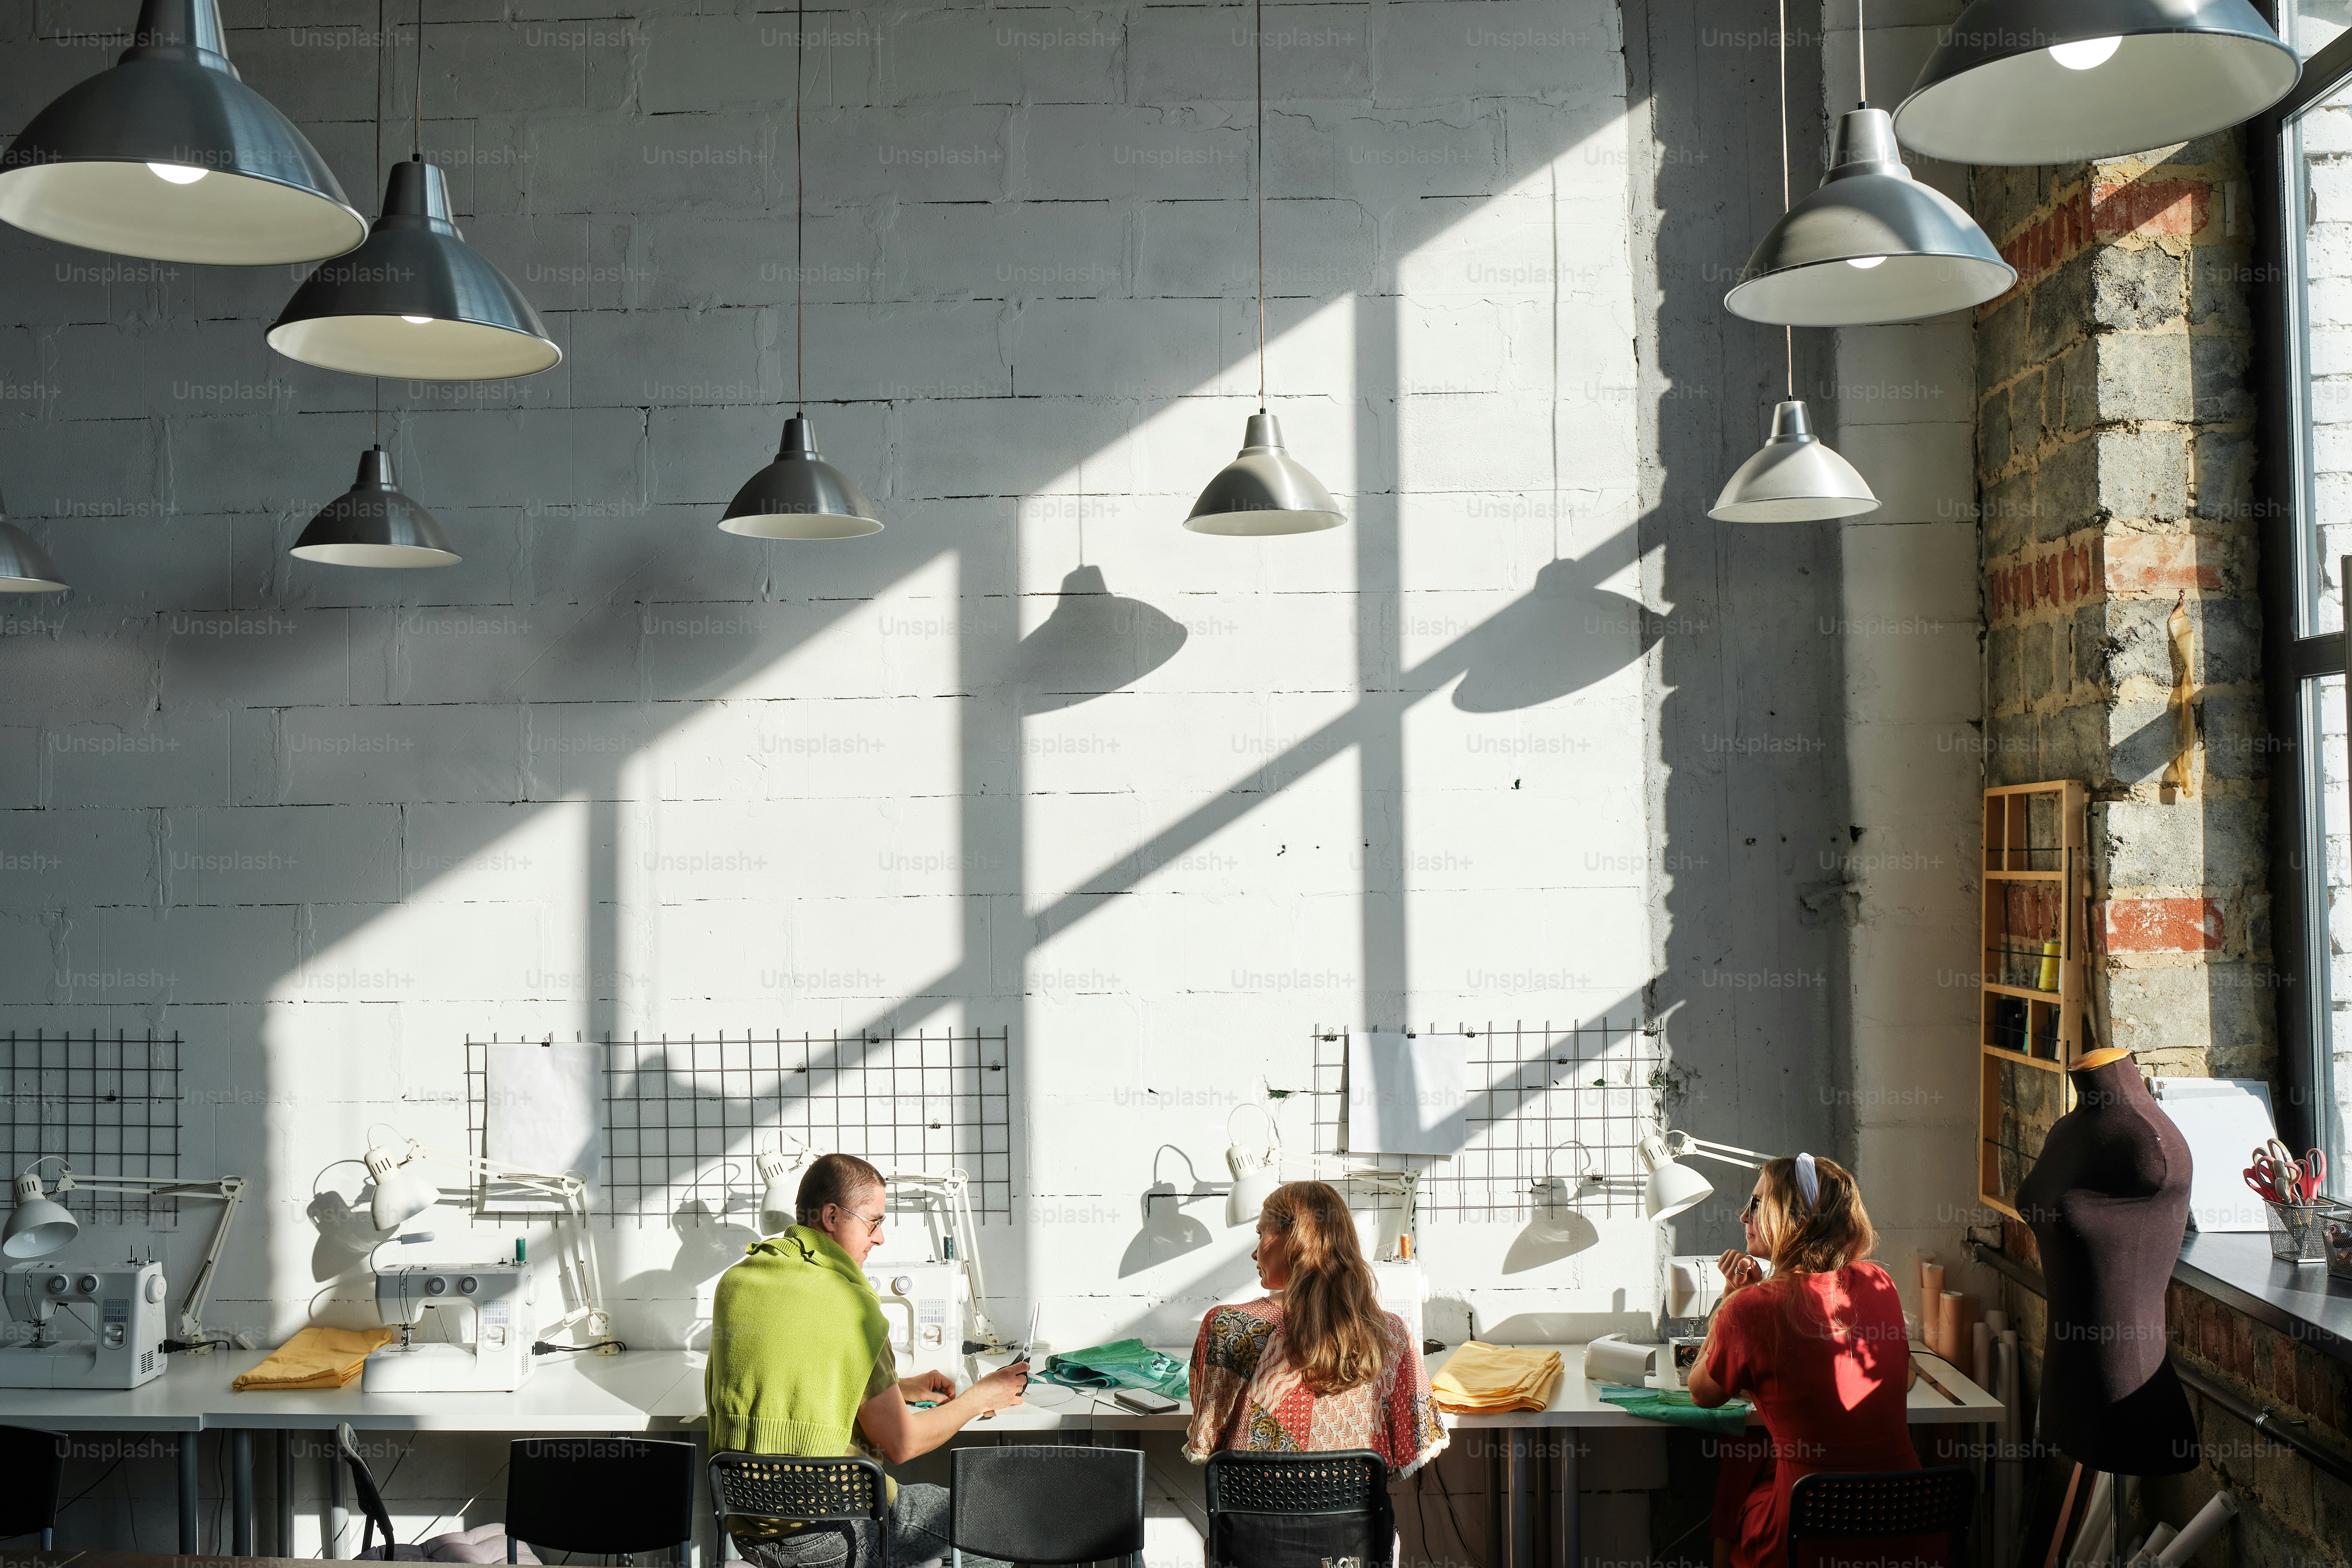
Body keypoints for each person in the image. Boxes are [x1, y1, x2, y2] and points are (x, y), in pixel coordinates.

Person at [706, 1152, 1031, 1568]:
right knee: (994, 1522)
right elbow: (902, 1443)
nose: (880, 1238)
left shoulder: (737, 1281)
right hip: (832, 1534)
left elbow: (790, 1376)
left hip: (747, 1529)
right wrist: (979, 1398)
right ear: (831, 1216)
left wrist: (896, 1387)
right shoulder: (852, 1304)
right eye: (873, 1222)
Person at [1688, 1152, 1919, 1568]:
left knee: (1740, 1462)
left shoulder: (1751, 1307)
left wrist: (1731, 1299)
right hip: (1907, 1530)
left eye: (1756, 1203)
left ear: (1794, 1218)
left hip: (1806, 1539)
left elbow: (1702, 1392)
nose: (1743, 1216)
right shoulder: (1879, 1280)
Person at [1184, 1180, 1447, 1475]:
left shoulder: (1227, 1326)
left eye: (1261, 1233)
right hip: (1353, 1506)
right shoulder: (1393, 1334)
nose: (1255, 1253)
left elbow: (1206, 1438)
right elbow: (1419, 1443)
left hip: (1255, 1503)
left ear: (1294, 1236)